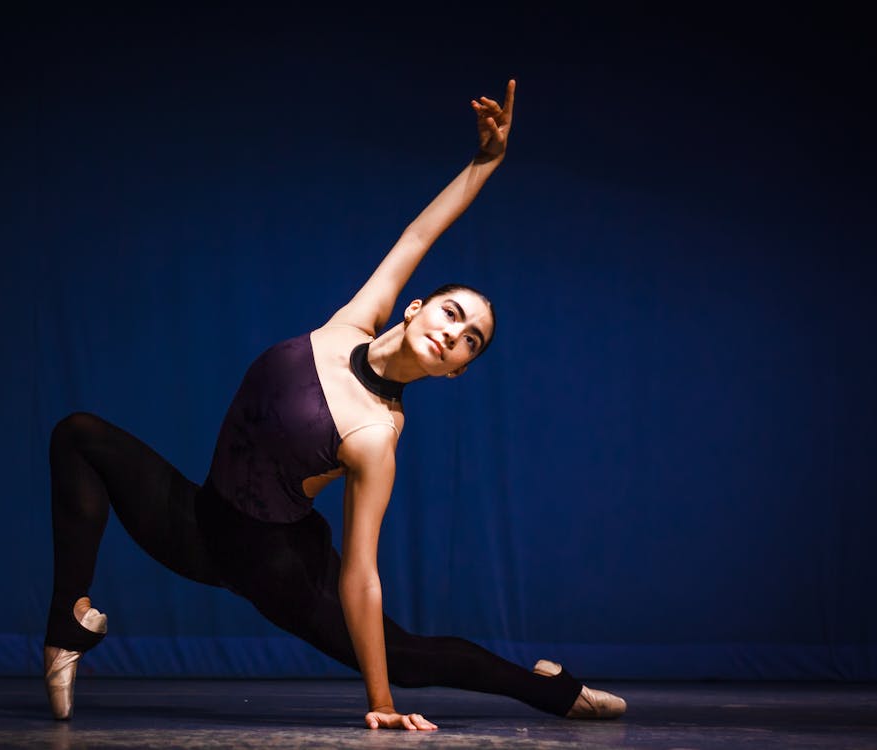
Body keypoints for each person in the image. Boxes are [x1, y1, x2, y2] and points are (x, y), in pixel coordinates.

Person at [42, 79, 627, 729]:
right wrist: (485, 161)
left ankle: (554, 692)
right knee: (78, 434)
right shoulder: (352, 320)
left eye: (470, 341)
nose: (453, 332)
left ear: (457, 370)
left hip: (279, 567)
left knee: (410, 657)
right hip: (199, 523)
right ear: (415, 307)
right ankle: (66, 624)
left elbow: (362, 577)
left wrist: (380, 703)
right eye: (450, 312)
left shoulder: (376, 433)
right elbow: (418, 235)